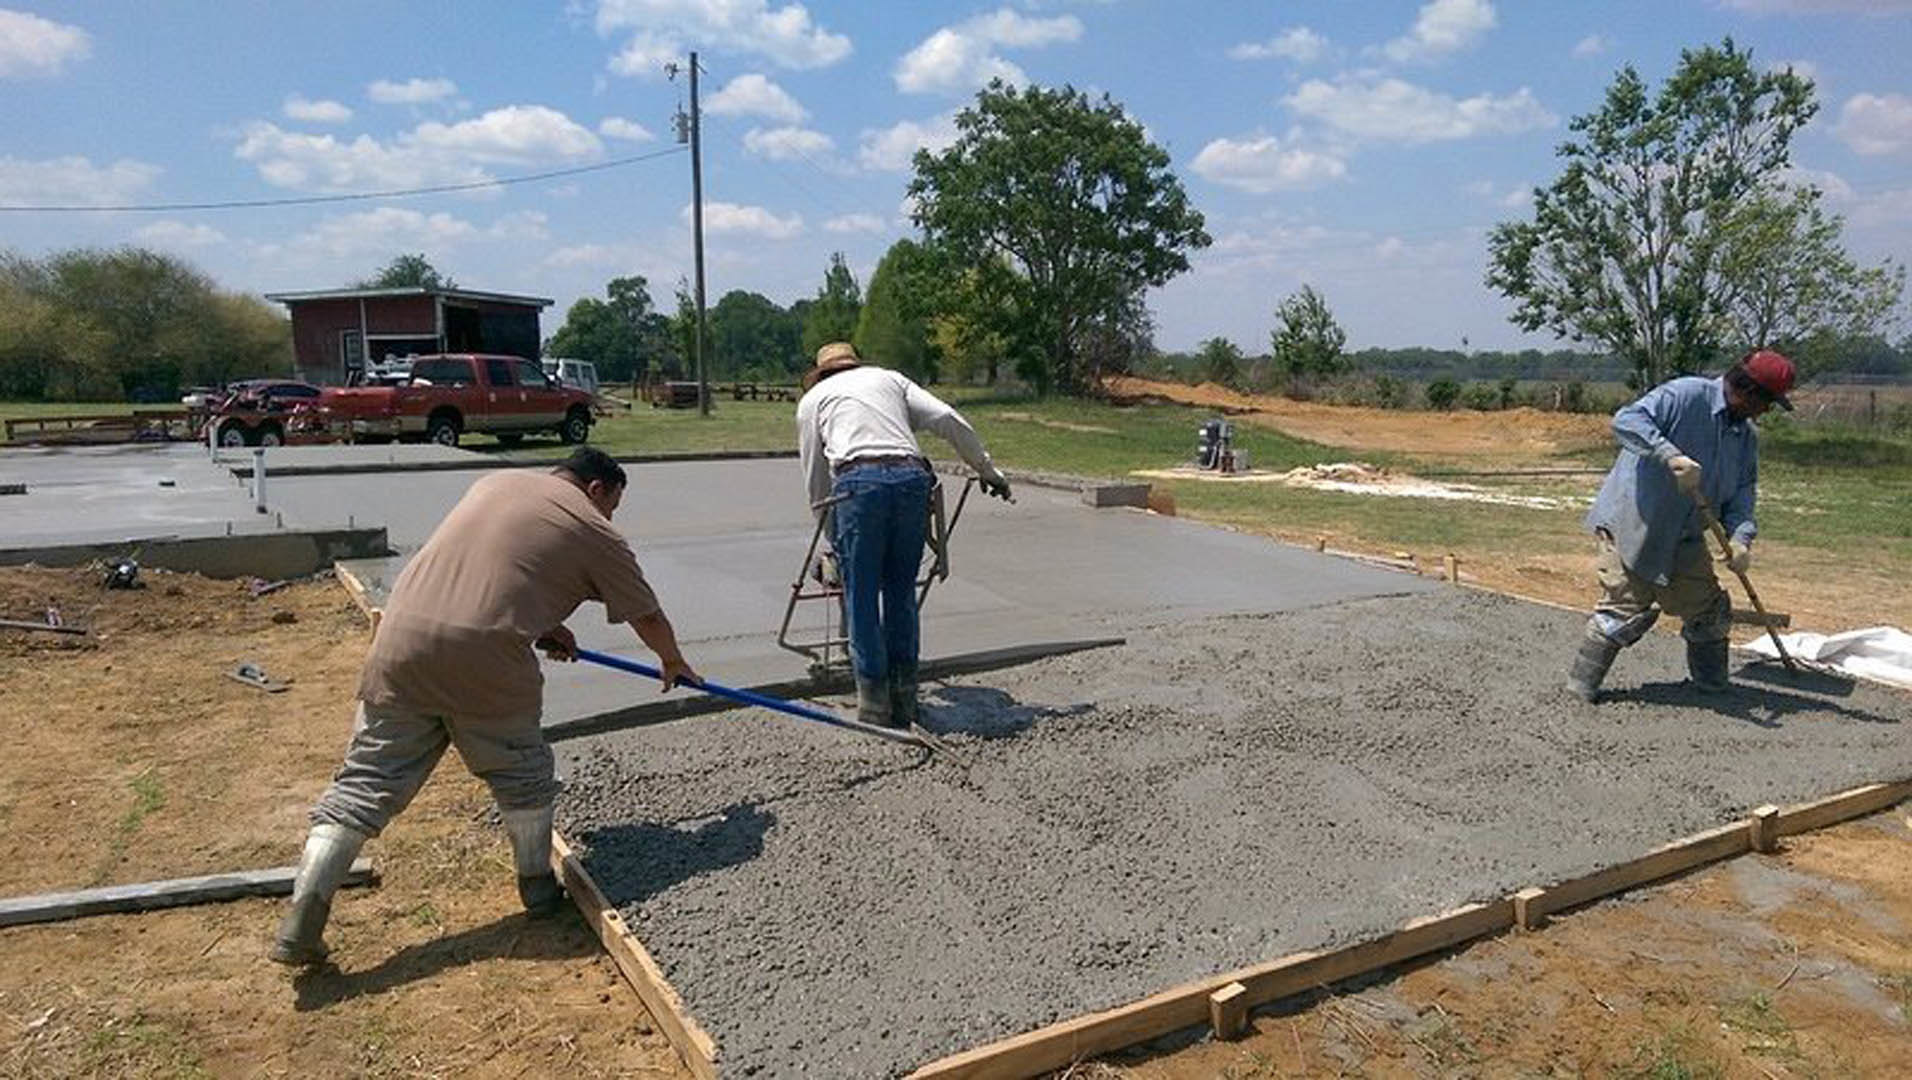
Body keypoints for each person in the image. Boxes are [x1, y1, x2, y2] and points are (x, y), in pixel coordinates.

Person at [271, 447, 696, 966]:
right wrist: (673, 662)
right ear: (597, 489)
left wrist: (541, 624)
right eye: (612, 505)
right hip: (485, 661)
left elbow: (489, 574)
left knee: (364, 786)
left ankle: (301, 922)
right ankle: (538, 889)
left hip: (399, 643)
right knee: (523, 776)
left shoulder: (494, 484)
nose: (608, 516)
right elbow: (646, 614)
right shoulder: (594, 525)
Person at [795, 342, 1012, 729]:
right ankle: (905, 698)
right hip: (913, 480)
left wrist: (832, 537)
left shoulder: (814, 400)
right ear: (855, 363)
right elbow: (947, 417)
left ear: (822, 372)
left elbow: (816, 481)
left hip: (857, 485)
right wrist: (987, 471)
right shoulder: (890, 380)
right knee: (900, 592)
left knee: (861, 594)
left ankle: (875, 704)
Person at [1567, 349, 1795, 702]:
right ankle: (1578, 690)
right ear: (1749, 391)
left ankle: (1713, 689)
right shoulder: (1686, 395)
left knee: (1711, 613)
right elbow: (1627, 420)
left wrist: (1741, 540)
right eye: (1768, 402)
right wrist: (1669, 454)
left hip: (1684, 537)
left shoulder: (1745, 437)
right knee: (1624, 613)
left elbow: (1742, 493)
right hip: (1634, 524)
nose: (1767, 411)